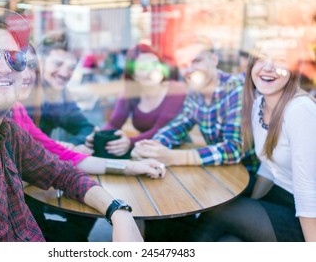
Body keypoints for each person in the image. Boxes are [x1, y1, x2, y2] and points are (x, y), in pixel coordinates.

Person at [0, 5, 143, 242]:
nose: (4, 68)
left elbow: (63, 173)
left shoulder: (6, 130)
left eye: (15, 58)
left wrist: (118, 211)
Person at [13, 43, 166, 241]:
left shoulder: (20, 109)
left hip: (32, 203)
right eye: (18, 64)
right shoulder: (11, 109)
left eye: (30, 66)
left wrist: (131, 166)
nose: (27, 75)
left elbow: (66, 155)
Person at [195, 36, 316, 242]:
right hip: (281, 199)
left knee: (218, 210)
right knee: (229, 242)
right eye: (261, 59)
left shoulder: (300, 110)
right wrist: (253, 205)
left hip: (307, 215)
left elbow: (307, 191)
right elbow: (269, 168)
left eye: (280, 60)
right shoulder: (259, 105)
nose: (268, 67)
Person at [132, 36, 257, 173]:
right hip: (219, 174)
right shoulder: (194, 91)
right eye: (183, 65)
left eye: (196, 61)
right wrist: (152, 147)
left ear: (214, 60)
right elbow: (178, 126)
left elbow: (234, 149)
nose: (190, 69)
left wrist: (175, 157)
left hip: (246, 178)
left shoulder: (235, 88)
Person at [86, 43, 186, 158]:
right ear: (134, 75)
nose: (151, 70)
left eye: (155, 63)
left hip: (175, 151)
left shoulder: (176, 90)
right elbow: (114, 124)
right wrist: (97, 137)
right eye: (143, 67)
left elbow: (159, 130)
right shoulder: (130, 93)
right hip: (144, 151)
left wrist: (130, 142)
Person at [34, 31, 94, 152]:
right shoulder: (25, 91)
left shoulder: (60, 94)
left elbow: (85, 128)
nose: (64, 73)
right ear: (39, 62)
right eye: (57, 63)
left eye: (71, 67)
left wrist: (72, 144)